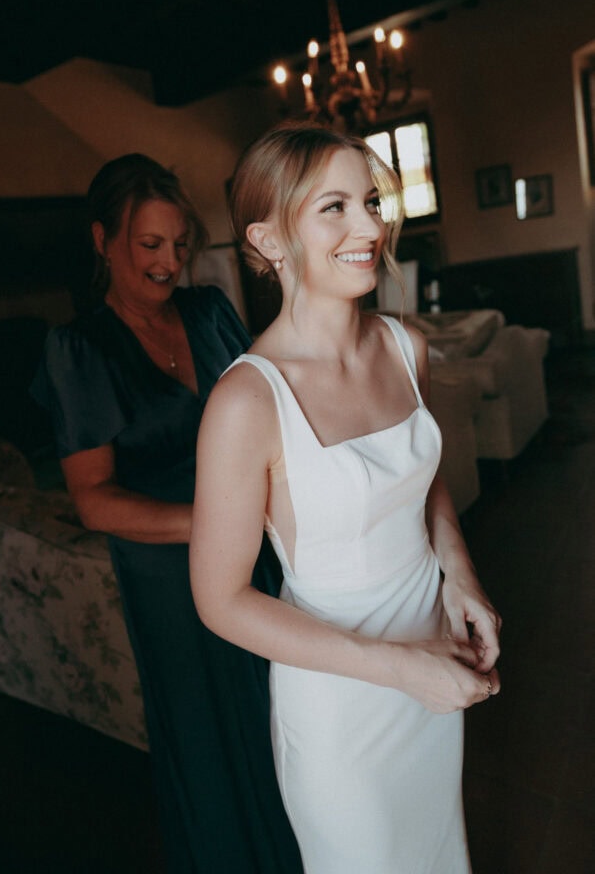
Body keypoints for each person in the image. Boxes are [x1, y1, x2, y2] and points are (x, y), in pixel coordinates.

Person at [190, 124, 502, 874]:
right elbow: (220, 600)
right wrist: (400, 669)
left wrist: (458, 576)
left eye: (369, 200)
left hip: (431, 656)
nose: (370, 226)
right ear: (267, 240)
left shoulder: (405, 346)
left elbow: (421, 482)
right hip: (340, 707)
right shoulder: (245, 401)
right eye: (334, 207)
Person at [32, 153, 303, 874]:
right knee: (214, 738)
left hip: (260, 548)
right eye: (150, 245)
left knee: (289, 713)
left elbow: (271, 410)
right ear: (103, 240)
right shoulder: (79, 351)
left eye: (179, 245)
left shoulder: (210, 311)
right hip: (170, 579)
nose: (170, 262)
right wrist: (221, 522)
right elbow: (93, 502)